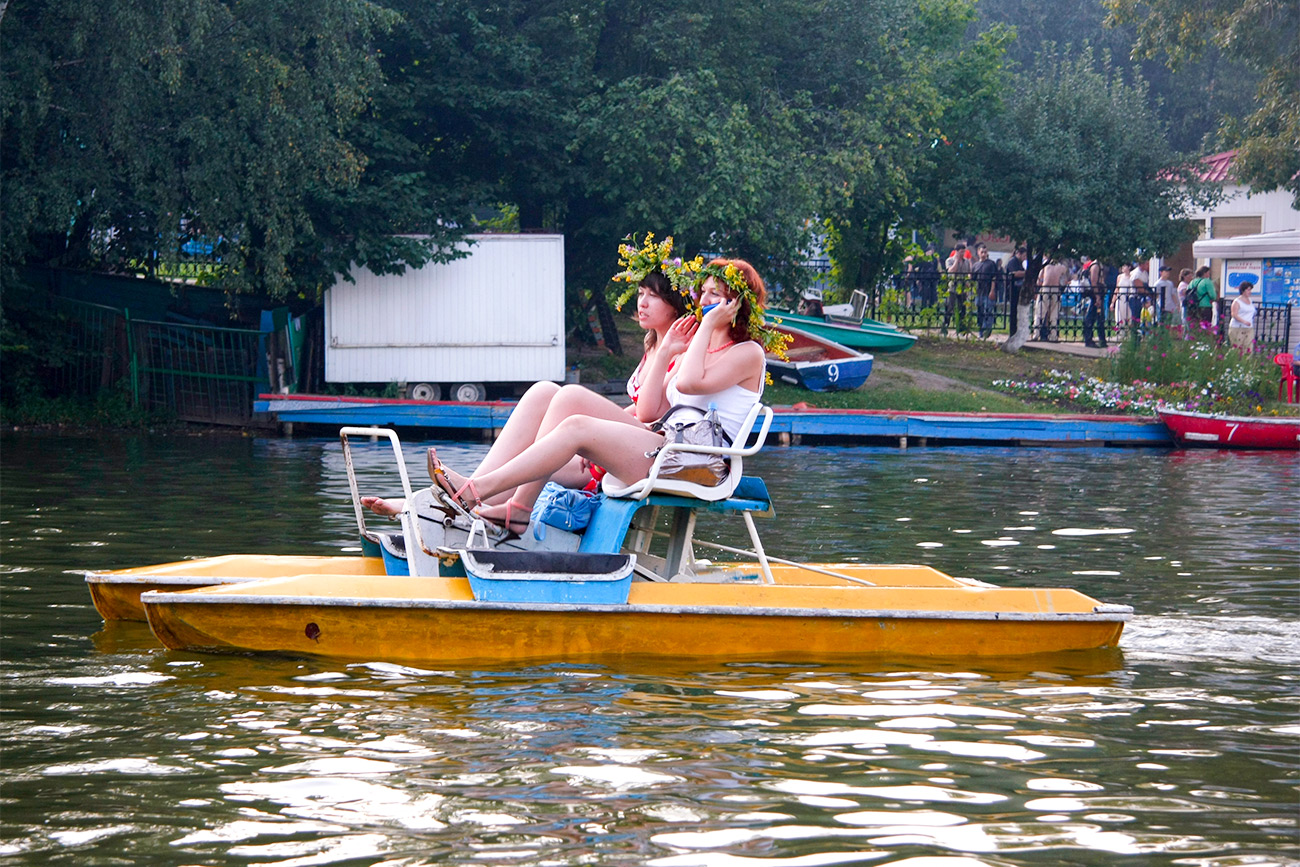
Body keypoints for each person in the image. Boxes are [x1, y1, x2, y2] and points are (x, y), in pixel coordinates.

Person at [428, 259, 773, 537]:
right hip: (668, 442)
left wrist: (706, 328)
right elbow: (649, 409)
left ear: (737, 302)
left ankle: (481, 493)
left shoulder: (748, 353)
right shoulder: (697, 346)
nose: (706, 300)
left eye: (718, 293)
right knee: (569, 396)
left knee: (577, 427)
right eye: (705, 292)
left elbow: (690, 381)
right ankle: (515, 507)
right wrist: (670, 346)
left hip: (699, 463)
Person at [362, 239, 691, 519]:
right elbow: (633, 412)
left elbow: (650, 415)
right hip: (613, 447)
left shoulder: (680, 352)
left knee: (567, 400)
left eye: (654, 296)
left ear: (676, 305)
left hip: (629, 458)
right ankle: (457, 498)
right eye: (641, 292)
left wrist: (590, 434)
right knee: (542, 392)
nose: (642, 302)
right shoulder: (653, 347)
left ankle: (476, 502)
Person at [971, 244, 1001, 339]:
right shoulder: (976, 265)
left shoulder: (991, 264)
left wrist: (992, 291)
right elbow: (972, 279)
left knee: (988, 311)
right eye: (982, 252)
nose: (983, 254)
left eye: (985, 252)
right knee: (980, 312)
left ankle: (986, 331)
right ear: (978, 252)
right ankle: (981, 330)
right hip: (979, 292)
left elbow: (994, 277)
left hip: (988, 291)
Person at [1036, 257, 1068, 341]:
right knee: (1054, 314)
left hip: (1045, 288)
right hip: (1055, 289)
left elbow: (1039, 279)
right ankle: (1053, 336)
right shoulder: (1062, 267)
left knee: (1040, 312)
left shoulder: (1046, 265)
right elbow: (1065, 280)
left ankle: (1036, 334)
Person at [941, 242, 970, 335]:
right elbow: (951, 271)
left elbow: (967, 274)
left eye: (963, 252)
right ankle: (945, 326)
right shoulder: (949, 260)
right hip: (953, 287)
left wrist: (967, 283)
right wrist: (957, 261)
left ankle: (961, 328)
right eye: (961, 252)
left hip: (962, 288)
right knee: (950, 307)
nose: (962, 254)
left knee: (963, 308)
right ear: (956, 252)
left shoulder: (966, 262)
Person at [1082, 258, 1108, 348]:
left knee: (1099, 317)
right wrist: (1097, 297)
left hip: (1099, 295)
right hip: (1096, 295)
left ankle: (1101, 340)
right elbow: (1093, 281)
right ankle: (1088, 339)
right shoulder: (1095, 265)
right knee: (1092, 317)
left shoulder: (1098, 264)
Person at [1227, 281, 1256, 350]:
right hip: (1238, 327)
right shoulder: (1237, 301)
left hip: (1249, 328)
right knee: (1238, 348)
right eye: (1248, 290)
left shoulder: (1250, 301)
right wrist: (1244, 321)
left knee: (1249, 347)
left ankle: (1248, 360)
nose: (1250, 292)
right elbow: (1234, 314)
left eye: (1250, 290)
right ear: (1243, 290)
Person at [1112, 263, 1134, 330]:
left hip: (1128, 298)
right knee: (1119, 314)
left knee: (1128, 314)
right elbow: (1117, 289)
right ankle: (1120, 330)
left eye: (1125, 266)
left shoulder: (1132, 276)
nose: (1123, 268)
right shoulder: (1119, 277)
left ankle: (1129, 329)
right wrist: (1113, 302)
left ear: (1129, 267)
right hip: (1120, 297)